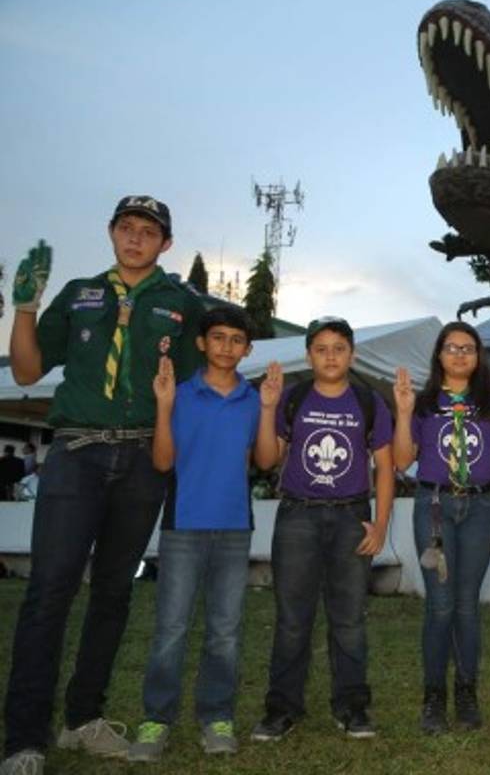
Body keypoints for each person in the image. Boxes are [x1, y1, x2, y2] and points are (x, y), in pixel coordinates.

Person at [3, 197, 204, 775]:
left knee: (114, 592)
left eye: (148, 232)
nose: (136, 239)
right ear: (112, 233)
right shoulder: (79, 293)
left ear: (165, 243)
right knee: (49, 592)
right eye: (126, 229)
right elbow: (24, 370)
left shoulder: (181, 303)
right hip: (77, 453)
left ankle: (82, 719)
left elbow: (197, 381)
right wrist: (24, 307)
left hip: (143, 457)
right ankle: (24, 739)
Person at [250, 317, 394, 742]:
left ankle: (352, 706)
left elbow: (385, 467)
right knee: (293, 619)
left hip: (353, 518)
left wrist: (381, 523)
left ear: (352, 354)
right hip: (298, 516)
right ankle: (281, 709)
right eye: (321, 349)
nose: (330, 356)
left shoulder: (369, 401)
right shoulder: (292, 399)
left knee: (349, 619)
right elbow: (264, 460)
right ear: (309, 355)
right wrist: (267, 408)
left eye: (339, 348)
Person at [127, 307, 261, 762]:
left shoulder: (251, 398)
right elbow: (163, 462)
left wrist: (271, 407)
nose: (227, 346)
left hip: (234, 527)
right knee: (171, 628)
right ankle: (156, 720)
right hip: (183, 525)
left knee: (225, 631)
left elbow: (264, 460)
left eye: (236, 339)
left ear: (247, 348)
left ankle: (216, 716)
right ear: (202, 343)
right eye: (218, 337)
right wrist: (164, 407)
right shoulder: (180, 394)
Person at [393, 321, 490, 733]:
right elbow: (400, 460)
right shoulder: (426, 403)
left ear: (478, 355)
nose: (460, 354)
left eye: (468, 348)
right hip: (434, 507)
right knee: (440, 604)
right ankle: (433, 696)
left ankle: (466, 691)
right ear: (439, 355)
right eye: (452, 347)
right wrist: (402, 413)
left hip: (482, 509)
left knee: (466, 606)